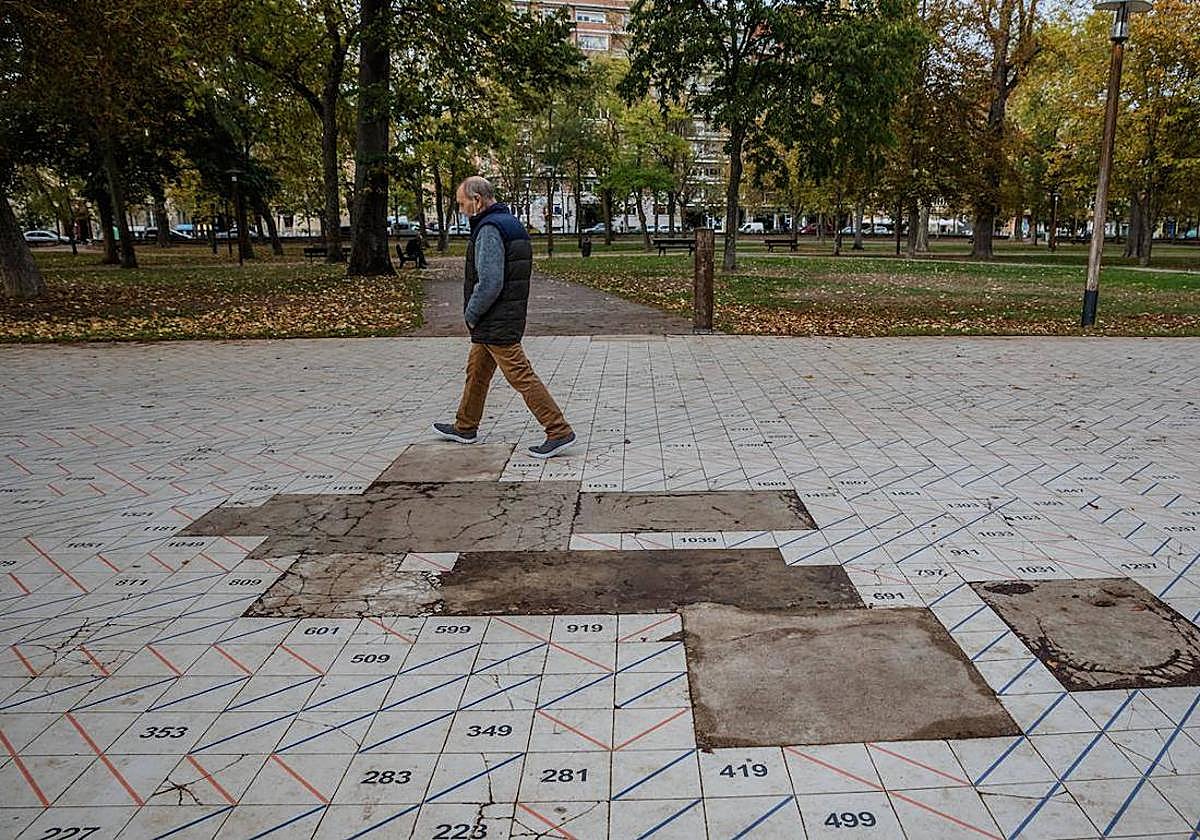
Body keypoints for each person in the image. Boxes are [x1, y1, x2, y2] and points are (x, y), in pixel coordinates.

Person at [432, 176, 576, 458]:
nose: (462, 211)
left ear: (477, 200)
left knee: (521, 375)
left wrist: (471, 314)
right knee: (477, 371)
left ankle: (558, 430)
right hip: (503, 314)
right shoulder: (510, 223)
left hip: (495, 317)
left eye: (463, 204)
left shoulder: (489, 229)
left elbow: (490, 282)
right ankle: (465, 426)